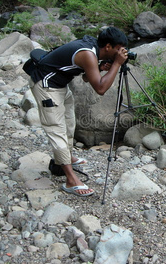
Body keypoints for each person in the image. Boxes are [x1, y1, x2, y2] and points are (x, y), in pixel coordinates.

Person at [29, 27, 129, 197]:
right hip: (46, 86)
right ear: (107, 46)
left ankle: (66, 158)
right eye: (118, 49)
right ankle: (70, 180)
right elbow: (100, 88)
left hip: (60, 85)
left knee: (69, 123)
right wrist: (117, 64)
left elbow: (85, 76)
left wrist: (102, 67)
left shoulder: (93, 48)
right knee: (56, 129)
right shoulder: (88, 54)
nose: (121, 53)